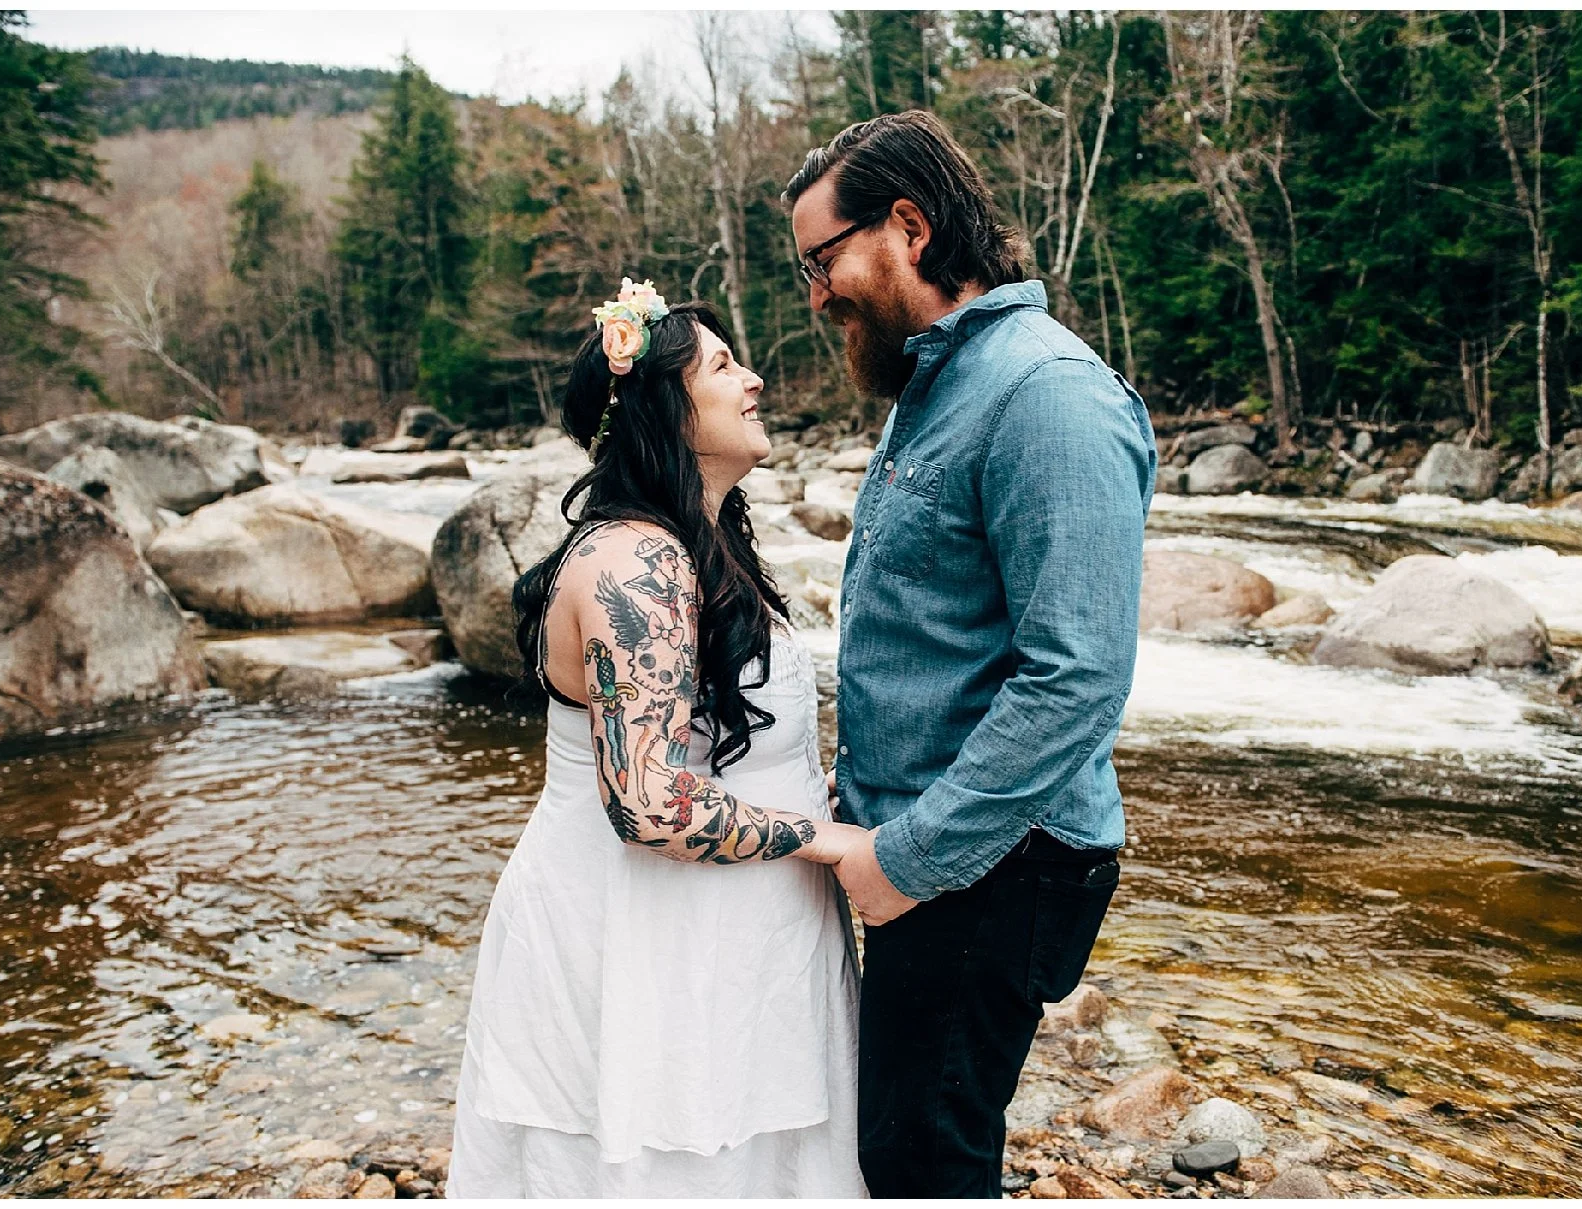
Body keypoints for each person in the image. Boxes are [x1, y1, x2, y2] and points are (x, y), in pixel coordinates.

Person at [784, 112, 1157, 1197]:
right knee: (908, 1150)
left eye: (824, 259)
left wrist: (904, 862)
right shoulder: (940, 383)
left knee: (924, 1166)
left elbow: (1078, 677)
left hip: (991, 865)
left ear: (909, 225)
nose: (817, 293)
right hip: (941, 855)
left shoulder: (1047, 395)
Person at [446, 280, 868, 1198]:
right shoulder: (631, 560)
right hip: (647, 946)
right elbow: (649, 801)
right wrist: (837, 843)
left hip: (732, 942)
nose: (753, 379)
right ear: (663, 409)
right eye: (724, 365)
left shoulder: (704, 546)